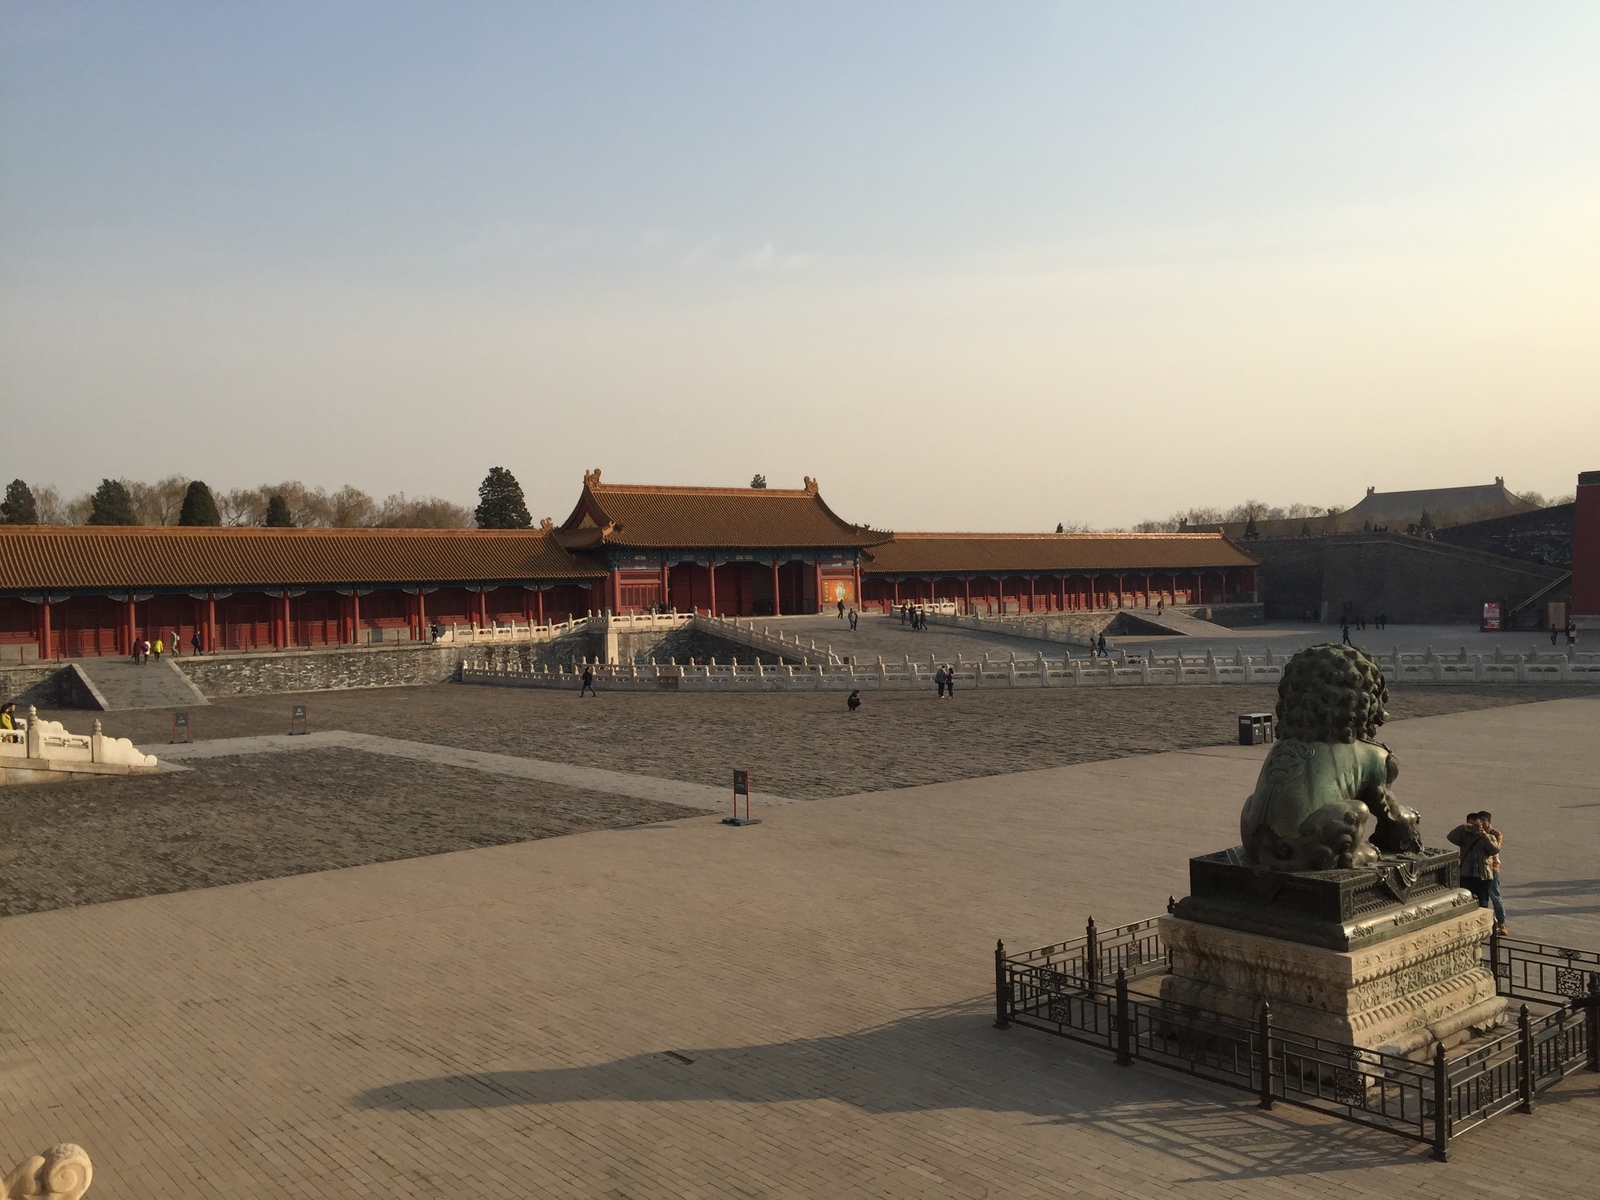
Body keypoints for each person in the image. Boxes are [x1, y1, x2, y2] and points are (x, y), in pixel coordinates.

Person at [1447, 812, 1501, 921]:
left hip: (1483, 876)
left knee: (1483, 904)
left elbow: (1494, 850)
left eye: (1478, 825)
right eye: (1472, 826)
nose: (1475, 829)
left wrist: (1484, 836)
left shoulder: (1489, 837)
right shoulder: (1464, 838)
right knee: (1465, 902)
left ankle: (1482, 924)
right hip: (1466, 875)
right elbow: (1450, 837)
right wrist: (1462, 828)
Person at [1478, 811, 1508, 935]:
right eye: (1480, 821)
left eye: (1483, 820)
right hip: (1477, 869)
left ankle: (1501, 922)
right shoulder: (1475, 833)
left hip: (1491, 869)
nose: (1481, 823)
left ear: (1489, 821)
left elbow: (1495, 848)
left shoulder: (1496, 834)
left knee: (1495, 896)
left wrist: (1485, 836)